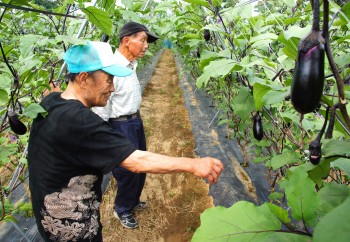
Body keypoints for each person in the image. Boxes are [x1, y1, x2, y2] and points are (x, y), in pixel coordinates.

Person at [27, 40, 223, 242]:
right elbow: (137, 162)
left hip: (49, 217)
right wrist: (193, 164)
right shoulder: (80, 122)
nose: (112, 88)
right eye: (108, 80)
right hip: (74, 230)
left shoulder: (52, 101)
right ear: (84, 78)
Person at [92, 21, 159, 229]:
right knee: (128, 171)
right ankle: (121, 209)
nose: (146, 45)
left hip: (134, 122)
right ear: (126, 40)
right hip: (120, 126)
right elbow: (102, 107)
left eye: (147, 41)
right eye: (143, 40)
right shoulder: (112, 67)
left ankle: (131, 200)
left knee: (141, 167)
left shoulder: (131, 65)